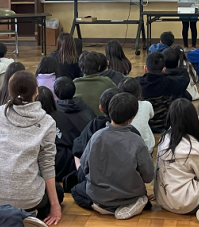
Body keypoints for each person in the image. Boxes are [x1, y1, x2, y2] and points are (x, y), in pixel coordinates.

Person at [0, 71, 63, 224]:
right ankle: (27, 214)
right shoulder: (47, 122)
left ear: (9, 91)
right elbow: (47, 164)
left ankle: (5, 214)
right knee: (58, 191)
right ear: (36, 91)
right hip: (27, 198)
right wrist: (55, 206)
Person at [71, 92, 154, 220]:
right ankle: (132, 205)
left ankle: (101, 208)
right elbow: (148, 176)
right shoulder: (137, 141)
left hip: (100, 196)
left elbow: (85, 167)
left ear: (108, 111)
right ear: (132, 117)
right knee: (144, 201)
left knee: (76, 191)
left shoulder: (96, 136)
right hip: (130, 195)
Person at [51, 77, 96, 187]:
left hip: (66, 162)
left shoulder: (54, 114)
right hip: (88, 157)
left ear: (55, 92)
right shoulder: (87, 108)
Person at [137, 52, 190, 132]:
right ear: (164, 69)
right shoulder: (172, 82)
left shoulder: (136, 83)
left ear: (145, 68)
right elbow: (185, 79)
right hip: (166, 124)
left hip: (145, 124)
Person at [72, 87, 124, 161]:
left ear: (101, 108)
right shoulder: (131, 130)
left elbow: (77, 149)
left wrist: (80, 167)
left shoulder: (94, 125)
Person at [118, 77, 155, 153]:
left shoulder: (117, 108)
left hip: (125, 150)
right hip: (147, 148)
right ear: (139, 92)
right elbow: (151, 115)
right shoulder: (146, 105)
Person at [74, 51, 117, 115]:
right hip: (102, 119)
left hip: (80, 120)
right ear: (99, 67)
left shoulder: (74, 84)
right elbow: (118, 97)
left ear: (80, 68)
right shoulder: (107, 82)